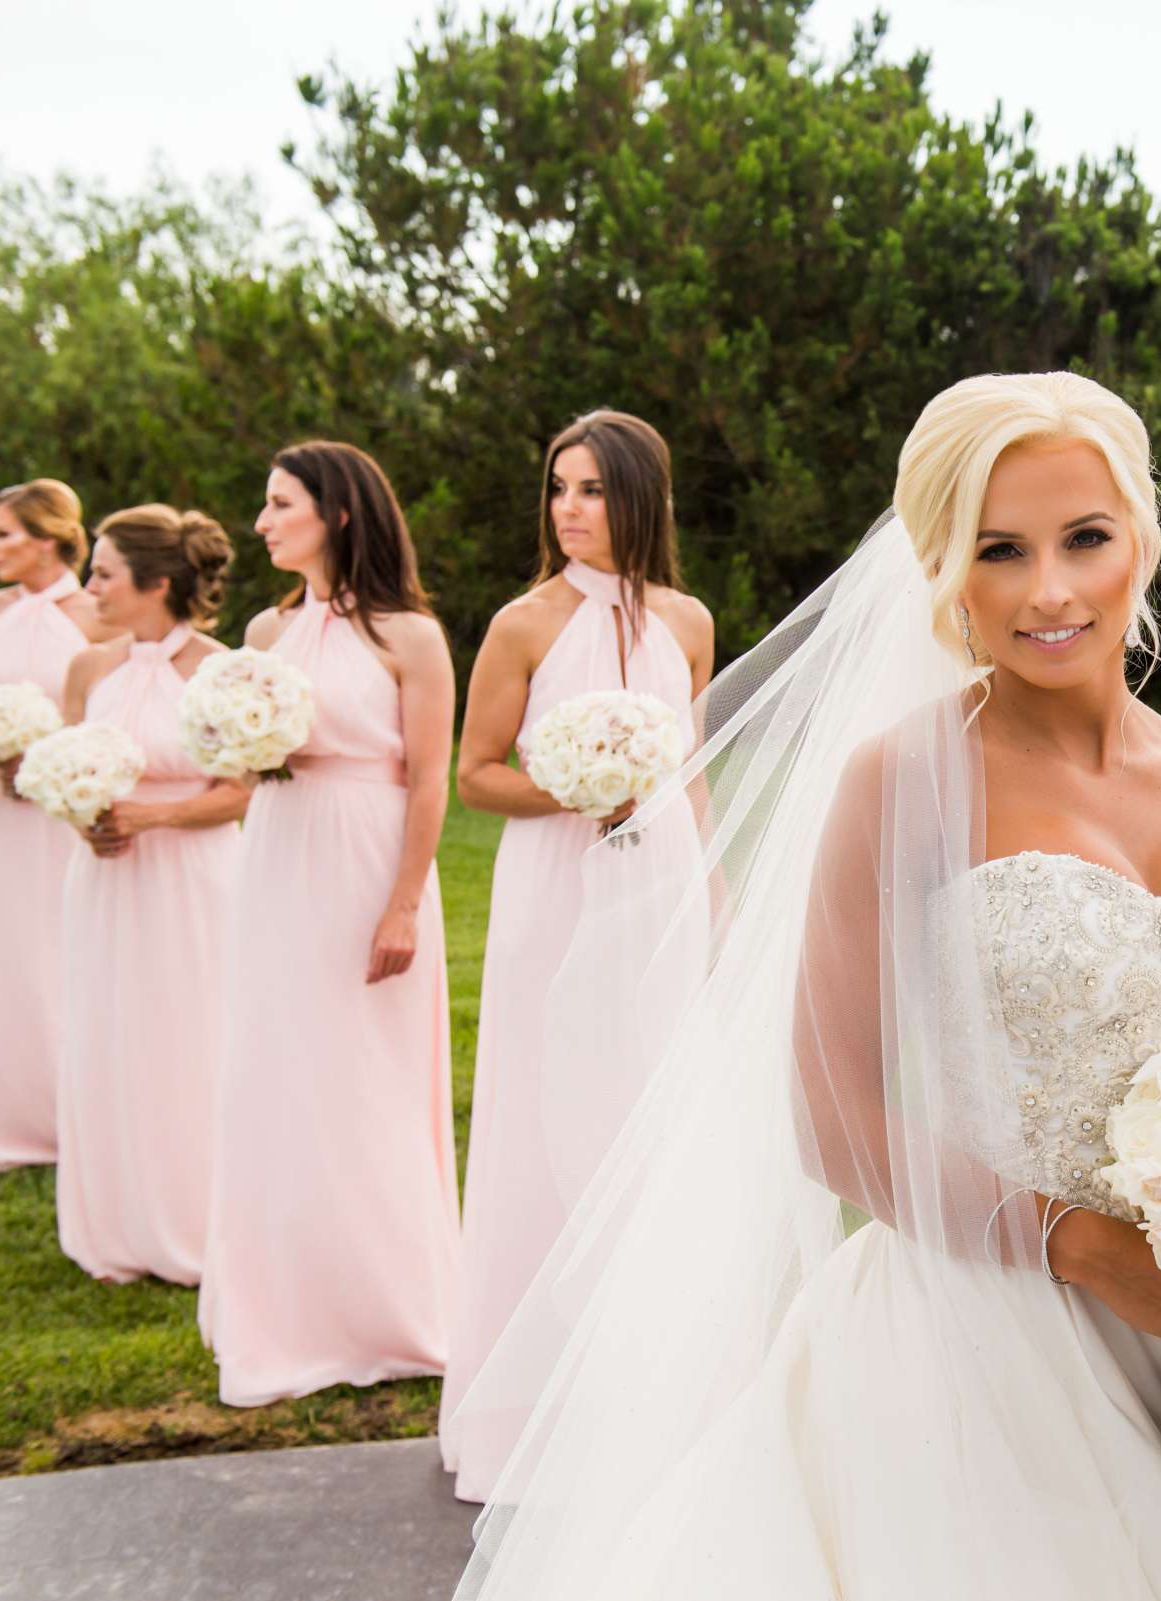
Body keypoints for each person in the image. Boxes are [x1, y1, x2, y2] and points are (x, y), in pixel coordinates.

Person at [450, 374, 1161, 1598]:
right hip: (974, 1338)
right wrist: (1093, 1250)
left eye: (1085, 539)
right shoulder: (899, 779)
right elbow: (834, 1117)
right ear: (945, 569)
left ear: (1141, 543)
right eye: (999, 550)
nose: (1048, 589)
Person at [439, 411, 713, 1502]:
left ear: (640, 497)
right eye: (559, 486)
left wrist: (717, 896)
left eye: (593, 488)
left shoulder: (688, 620)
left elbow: (690, 771)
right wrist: (580, 788)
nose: (568, 508)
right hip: (557, 883)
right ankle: (529, 1395)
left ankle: (650, 1384)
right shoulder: (522, 623)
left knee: (651, 1112)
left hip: (662, 884)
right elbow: (475, 773)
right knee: (548, 1102)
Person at [197, 441, 462, 1406]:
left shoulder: (409, 636)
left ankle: (389, 1306)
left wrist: (400, 903)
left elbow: (430, 779)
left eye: (279, 504)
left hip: (368, 860)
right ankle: (286, 1309)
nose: (262, 523)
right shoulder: (264, 634)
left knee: (367, 1080)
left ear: (339, 512)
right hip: (278, 858)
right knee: (276, 1071)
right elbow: (240, 764)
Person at [53, 505, 250, 1283]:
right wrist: (86, 822)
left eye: (103, 573)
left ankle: (199, 1218)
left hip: (193, 879)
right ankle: (115, 1225)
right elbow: (66, 769)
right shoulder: (86, 669)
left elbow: (242, 790)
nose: (90, 586)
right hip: (104, 881)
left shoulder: (220, 669)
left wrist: (154, 814)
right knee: (106, 1035)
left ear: (156, 582)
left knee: (189, 1037)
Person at [0, 479, 119, 1170]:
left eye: (3, 533)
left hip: (57, 800)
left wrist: (49, 756)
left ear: (47, 537)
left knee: (58, 942)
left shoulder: (98, 611)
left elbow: (115, 705)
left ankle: (72, 1110)